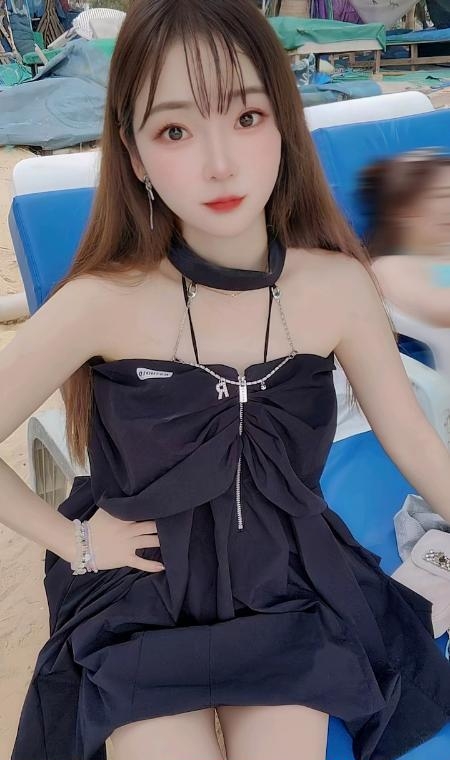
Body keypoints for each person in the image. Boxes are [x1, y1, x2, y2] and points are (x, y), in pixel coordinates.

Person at [1, 2, 450, 759]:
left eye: (246, 117)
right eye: (175, 130)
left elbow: (413, 439)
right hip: (142, 595)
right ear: (134, 155)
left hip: (288, 585)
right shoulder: (102, 301)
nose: (219, 164)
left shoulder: (337, 287)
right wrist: (73, 541)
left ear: (283, 126)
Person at [360, 149, 450, 374]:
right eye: (443, 195)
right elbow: (438, 307)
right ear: (406, 212)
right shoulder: (389, 267)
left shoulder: (438, 261)